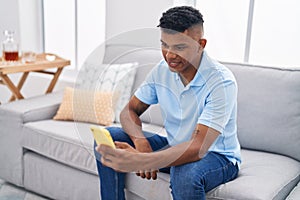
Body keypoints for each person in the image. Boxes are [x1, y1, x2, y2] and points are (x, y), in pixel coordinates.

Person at [94, 6, 241, 200]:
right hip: (174, 145)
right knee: (108, 138)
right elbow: (129, 110)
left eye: (179, 47)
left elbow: (199, 147)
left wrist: (143, 160)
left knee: (185, 174)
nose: (170, 55)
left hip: (217, 156)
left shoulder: (221, 82)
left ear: (200, 44)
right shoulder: (162, 70)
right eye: (165, 45)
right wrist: (141, 144)